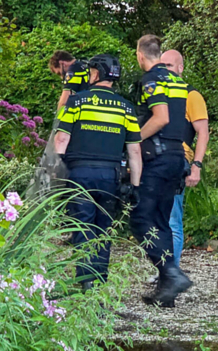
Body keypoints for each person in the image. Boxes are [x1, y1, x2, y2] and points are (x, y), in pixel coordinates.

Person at [54, 54, 142, 290]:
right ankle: (100, 280)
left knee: (82, 226)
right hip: (110, 177)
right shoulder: (126, 107)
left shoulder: (76, 102)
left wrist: (60, 168)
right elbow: (134, 152)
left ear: (96, 74)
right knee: (103, 229)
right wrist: (134, 186)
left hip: (80, 174)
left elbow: (61, 139)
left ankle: (85, 281)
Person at [131, 35, 194, 307]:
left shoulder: (151, 81)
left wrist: (133, 139)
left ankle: (171, 273)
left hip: (155, 159)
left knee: (141, 218)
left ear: (141, 55)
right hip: (176, 157)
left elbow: (161, 117)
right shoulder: (179, 83)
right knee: (162, 221)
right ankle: (166, 293)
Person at [161, 49, 209, 264]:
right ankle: (163, 269)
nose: (165, 71)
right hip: (155, 161)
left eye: (170, 66)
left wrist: (196, 165)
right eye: (162, 66)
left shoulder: (191, 95)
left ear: (181, 68)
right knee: (155, 219)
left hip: (177, 161)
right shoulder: (157, 93)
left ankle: (171, 270)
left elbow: (203, 132)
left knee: (172, 219)